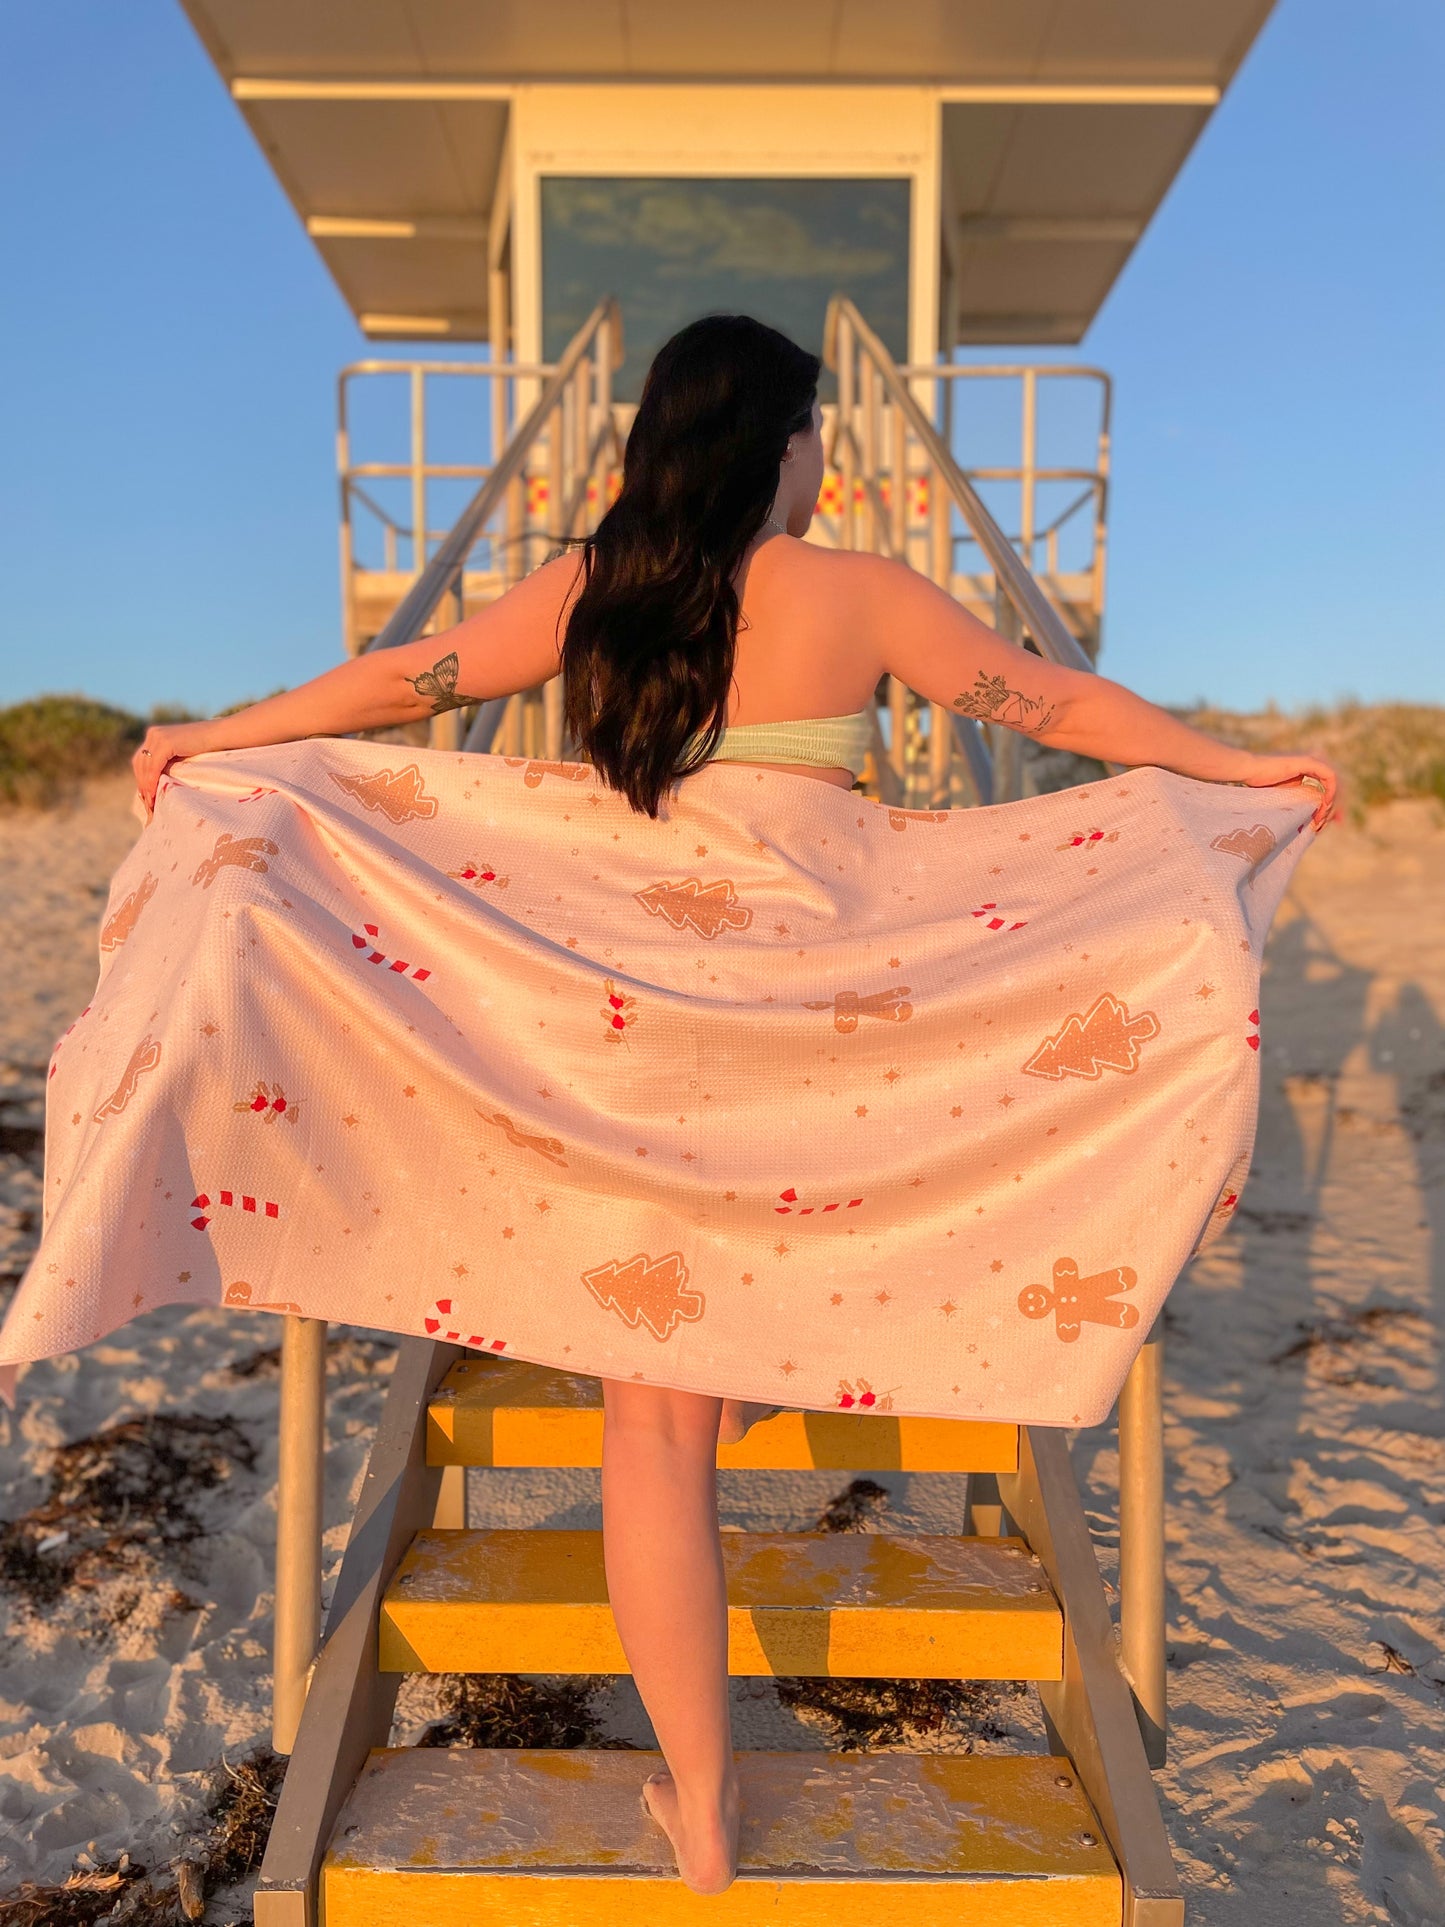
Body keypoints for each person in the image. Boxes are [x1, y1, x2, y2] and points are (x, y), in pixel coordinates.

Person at [128, 315, 1337, 1894]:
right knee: (832, 1266)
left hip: (626, 1031)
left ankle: (698, 1804)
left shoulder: (596, 587)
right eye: (816, 430)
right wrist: (1237, 769)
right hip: (814, 1038)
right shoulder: (849, 587)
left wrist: (216, 739)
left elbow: (400, 680)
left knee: (653, 1426)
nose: (825, 455)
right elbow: (1050, 709)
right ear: (776, 440)